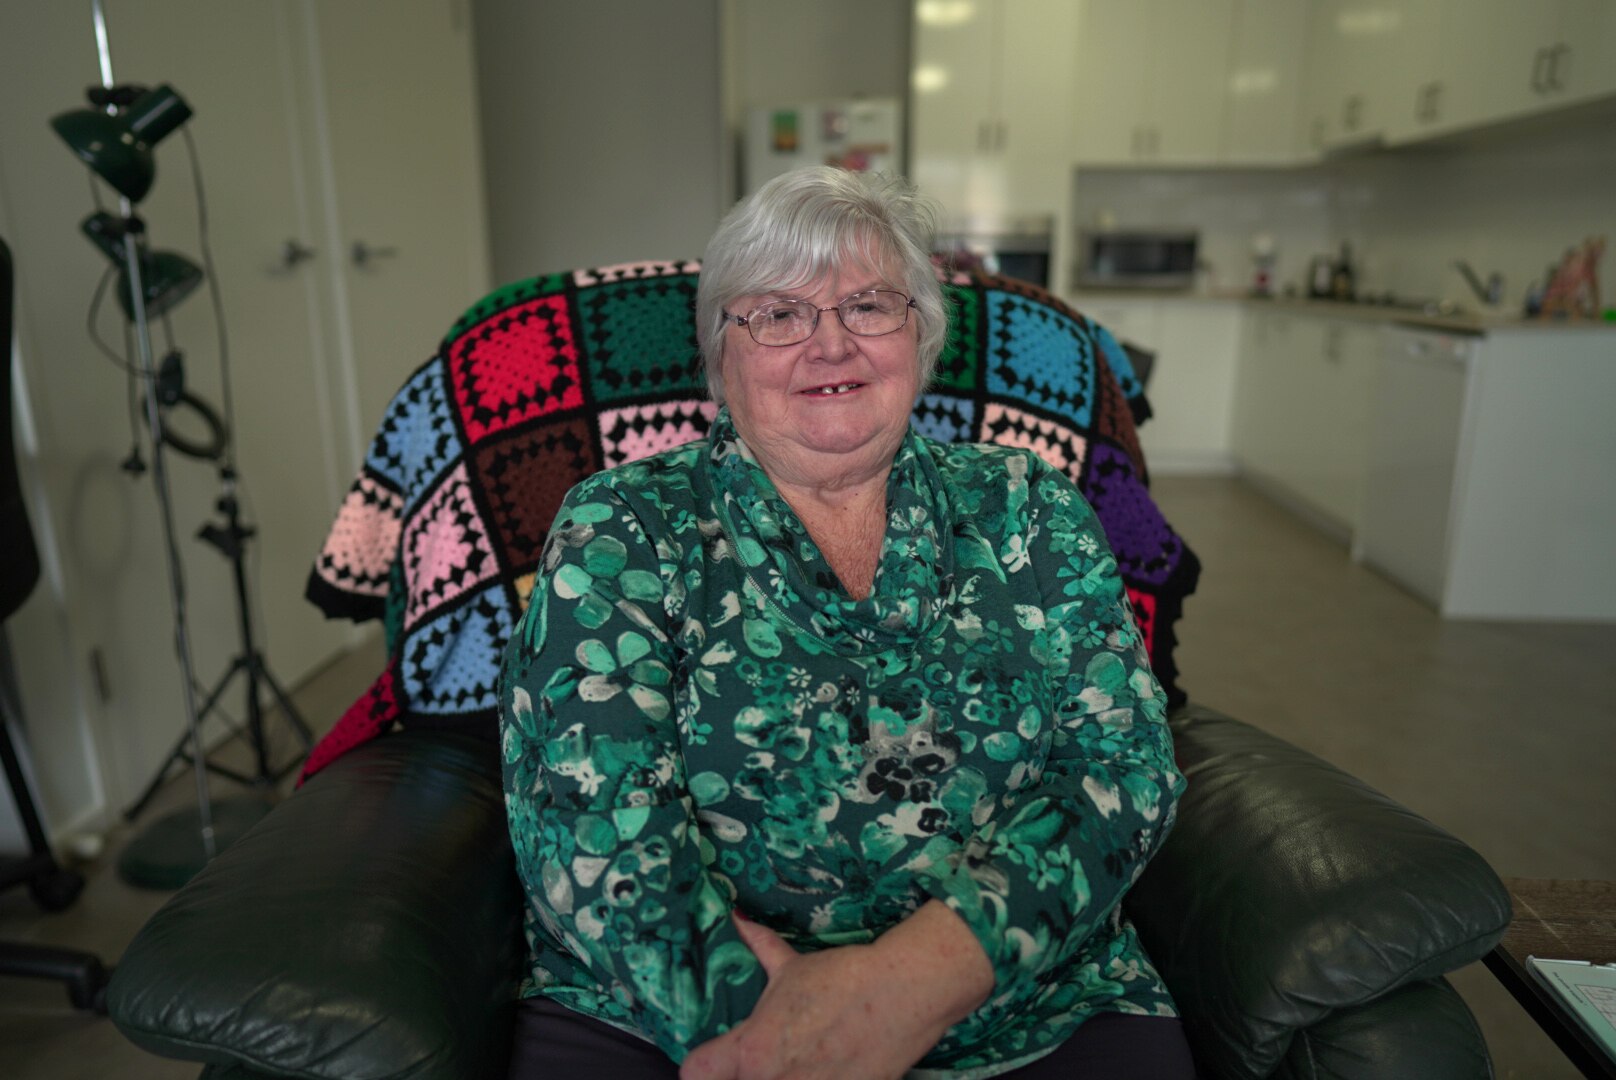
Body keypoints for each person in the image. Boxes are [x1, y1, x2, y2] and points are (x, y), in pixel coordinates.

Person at [499, 166, 1194, 1079]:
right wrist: (779, 1024)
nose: (830, 347)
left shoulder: (1028, 507)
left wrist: (912, 984)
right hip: (674, 1012)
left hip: (1026, 1000)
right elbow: (587, 819)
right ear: (721, 355)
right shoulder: (625, 526)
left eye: (868, 306)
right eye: (779, 315)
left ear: (921, 336)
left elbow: (1124, 770)